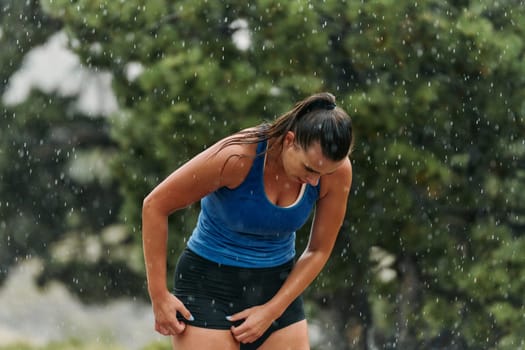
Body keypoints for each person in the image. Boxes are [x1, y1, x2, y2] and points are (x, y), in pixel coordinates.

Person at [142, 92, 354, 350]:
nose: (315, 181)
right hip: (209, 285)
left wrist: (272, 311)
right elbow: (154, 206)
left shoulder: (335, 172)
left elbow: (319, 250)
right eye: (309, 169)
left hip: (276, 287)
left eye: (326, 172)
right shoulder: (237, 158)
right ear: (290, 141)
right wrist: (158, 295)